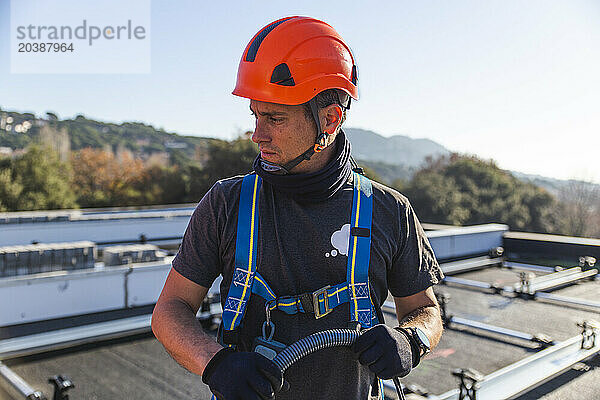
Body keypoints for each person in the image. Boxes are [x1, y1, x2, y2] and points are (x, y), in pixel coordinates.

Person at [152, 16, 444, 400]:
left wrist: (411, 338)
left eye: (275, 118)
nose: (257, 134)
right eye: (255, 115)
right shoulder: (227, 204)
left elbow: (425, 309)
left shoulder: (389, 211)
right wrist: (214, 362)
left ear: (330, 119)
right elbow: (170, 309)